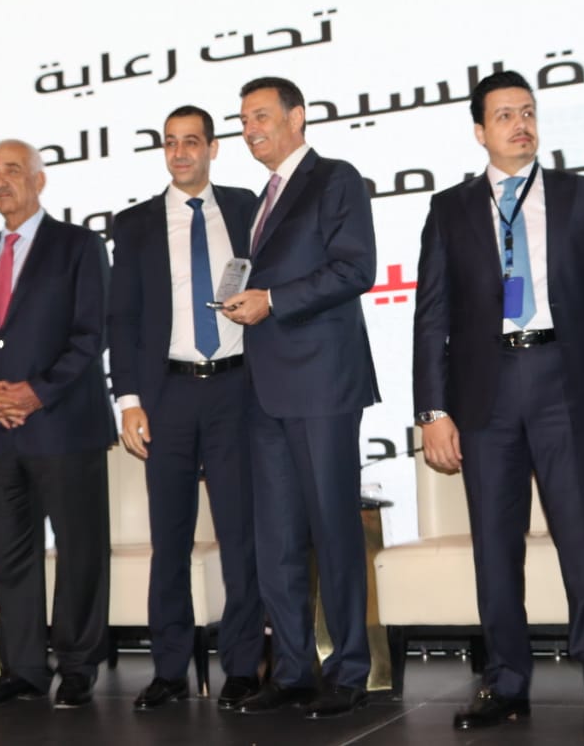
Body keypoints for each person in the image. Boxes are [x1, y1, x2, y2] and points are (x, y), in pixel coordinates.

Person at [413, 71, 584, 735]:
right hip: (483, 395)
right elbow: (431, 317)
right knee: (494, 546)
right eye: (504, 115)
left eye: (528, 112)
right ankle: (506, 681)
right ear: (479, 131)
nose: (520, 124)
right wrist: (433, 410)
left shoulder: (583, 196)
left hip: (563, 383)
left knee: (583, 539)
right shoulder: (449, 209)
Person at [222, 76, 380, 719]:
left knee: (333, 531)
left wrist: (273, 300)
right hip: (264, 388)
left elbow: (355, 268)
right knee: (277, 538)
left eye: (260, 116)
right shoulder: (261, 199)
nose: (250, 129)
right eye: (243, 120)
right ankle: (291, 671)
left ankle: (348, 670)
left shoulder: (335, 179)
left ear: (297, 117)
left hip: (321, 384)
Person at [0, 139, 115, 709]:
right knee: (9, 555)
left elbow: (91, 333)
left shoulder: (78, 245)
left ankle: (78, 666)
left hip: (65, 426)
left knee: (79, 550)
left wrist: (37, 392)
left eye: (13, 171)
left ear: (39, 180)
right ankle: (22, 669)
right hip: (0, 432)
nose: (1, 181)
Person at [108, 105, 264, 712]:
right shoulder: (135, 224)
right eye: (170, 143)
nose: (180, 153)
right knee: (169, 538)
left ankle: (244, 667)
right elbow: (122, 318)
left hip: (236, 390)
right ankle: (170, 670)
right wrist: (129, 400)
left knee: (240, 536)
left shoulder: (248, 208)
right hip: (167, 395)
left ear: (213, 148)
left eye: (191, 141)